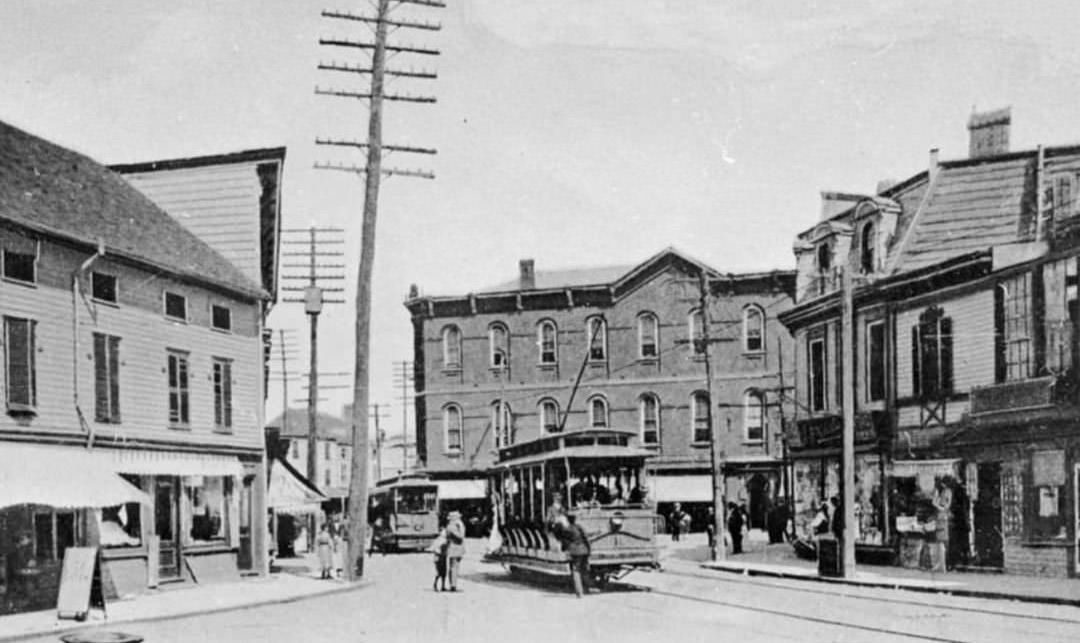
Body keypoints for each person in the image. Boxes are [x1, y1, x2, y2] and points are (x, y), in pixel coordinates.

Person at [556, 513, 591, 597]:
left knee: (576, 571)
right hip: (584, 550)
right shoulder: (579, 527)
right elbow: (586, 538)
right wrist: (589, 549)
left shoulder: (566, 529)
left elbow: (563, 540)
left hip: (574, 552)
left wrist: (565, 549)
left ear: (568, 520)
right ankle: (587, 587)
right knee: (585, 569)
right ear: (575, 519)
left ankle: (579, 592)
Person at [445, 510, 466, 592]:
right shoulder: (452, 527)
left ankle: (453, 584)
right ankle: (453, 585)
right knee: (454, 567)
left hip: (455, 548)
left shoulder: (451, 526)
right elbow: (461, 536)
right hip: (454, 548)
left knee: (454, 567)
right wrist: (461, 526)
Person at [428, 524, 449, 591]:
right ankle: (436, 584)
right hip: (439, 556)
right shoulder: (441, 540)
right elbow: (433, 548)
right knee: (440, 572)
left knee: (443, 572)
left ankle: (442, 586)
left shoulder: (442, 539)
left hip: (441, 556)